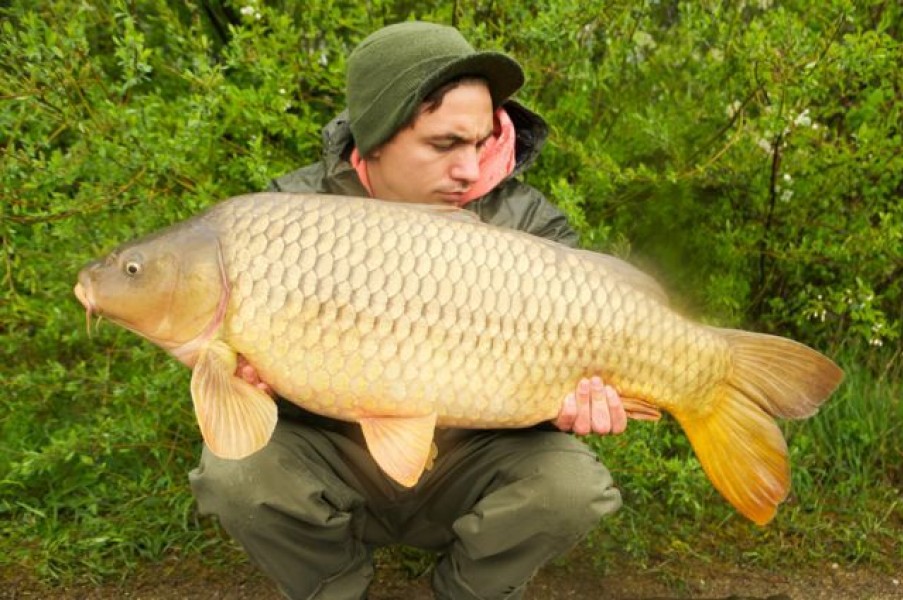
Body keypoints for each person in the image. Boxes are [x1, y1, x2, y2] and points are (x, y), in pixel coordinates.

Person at [190, 21, 628, 600]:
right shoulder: (286, 219)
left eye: (479, 143)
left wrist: (570, 405)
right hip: (336, 451)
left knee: (572, 486)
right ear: (375, 137)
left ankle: (464, 592)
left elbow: (543, 385)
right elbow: (240, 394)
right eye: (445, 144)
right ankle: (336, 588)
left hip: (467, 458)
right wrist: (256, 384)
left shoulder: (526, 225)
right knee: (234, 474)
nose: (471, 169)